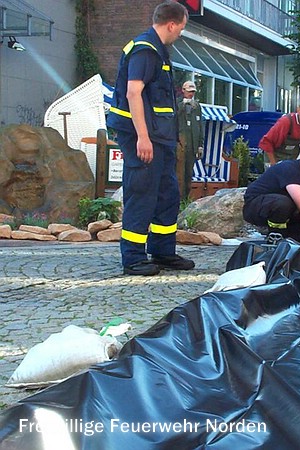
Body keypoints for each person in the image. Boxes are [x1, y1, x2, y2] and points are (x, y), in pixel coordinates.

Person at [107, 1, 195, 276]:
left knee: (167, 193)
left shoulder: (158, 50)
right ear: (171, 24)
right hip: (142, 136)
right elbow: (134, 93)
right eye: (181, 28)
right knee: (142, 193)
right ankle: (133, 257)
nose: (180, 34)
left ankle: (162, 251)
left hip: (160, 137)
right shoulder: (145, 50)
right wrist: (142, 137)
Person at [258, 98, 300, 166]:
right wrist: (273, 165)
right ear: (298, 110)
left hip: (291, 158)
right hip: (274, 155)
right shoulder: (285, 122)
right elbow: (267, 142)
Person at [177, 80, 204, 199]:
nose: (191, 94)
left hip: (192, 147)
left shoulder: (197, 106)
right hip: (180, 145)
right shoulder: (177, 103)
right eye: (189, 92)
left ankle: (185, 199)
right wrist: (183, 105)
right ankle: (177, 199)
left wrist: (200, 145)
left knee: (189, 175)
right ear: (183, 90)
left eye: (193, 92)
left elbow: (200, 127)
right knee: (179, 175)